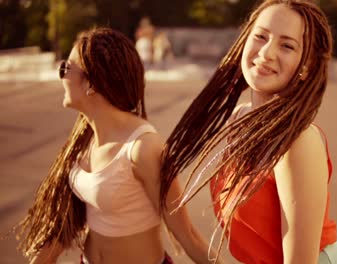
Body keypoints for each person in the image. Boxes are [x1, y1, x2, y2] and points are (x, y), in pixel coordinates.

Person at [160, 1, 337, 263]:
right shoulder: (238, 119)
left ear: (306, 67)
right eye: (261, 36)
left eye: (287, 45)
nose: (266, 53)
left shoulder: (296, 141)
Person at [15, 27, 222, 264]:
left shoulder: (143, 148)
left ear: (91, 83)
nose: (61, 75)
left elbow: (189, 237)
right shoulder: (83, 140)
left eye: (65, 68)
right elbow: (65, 225)